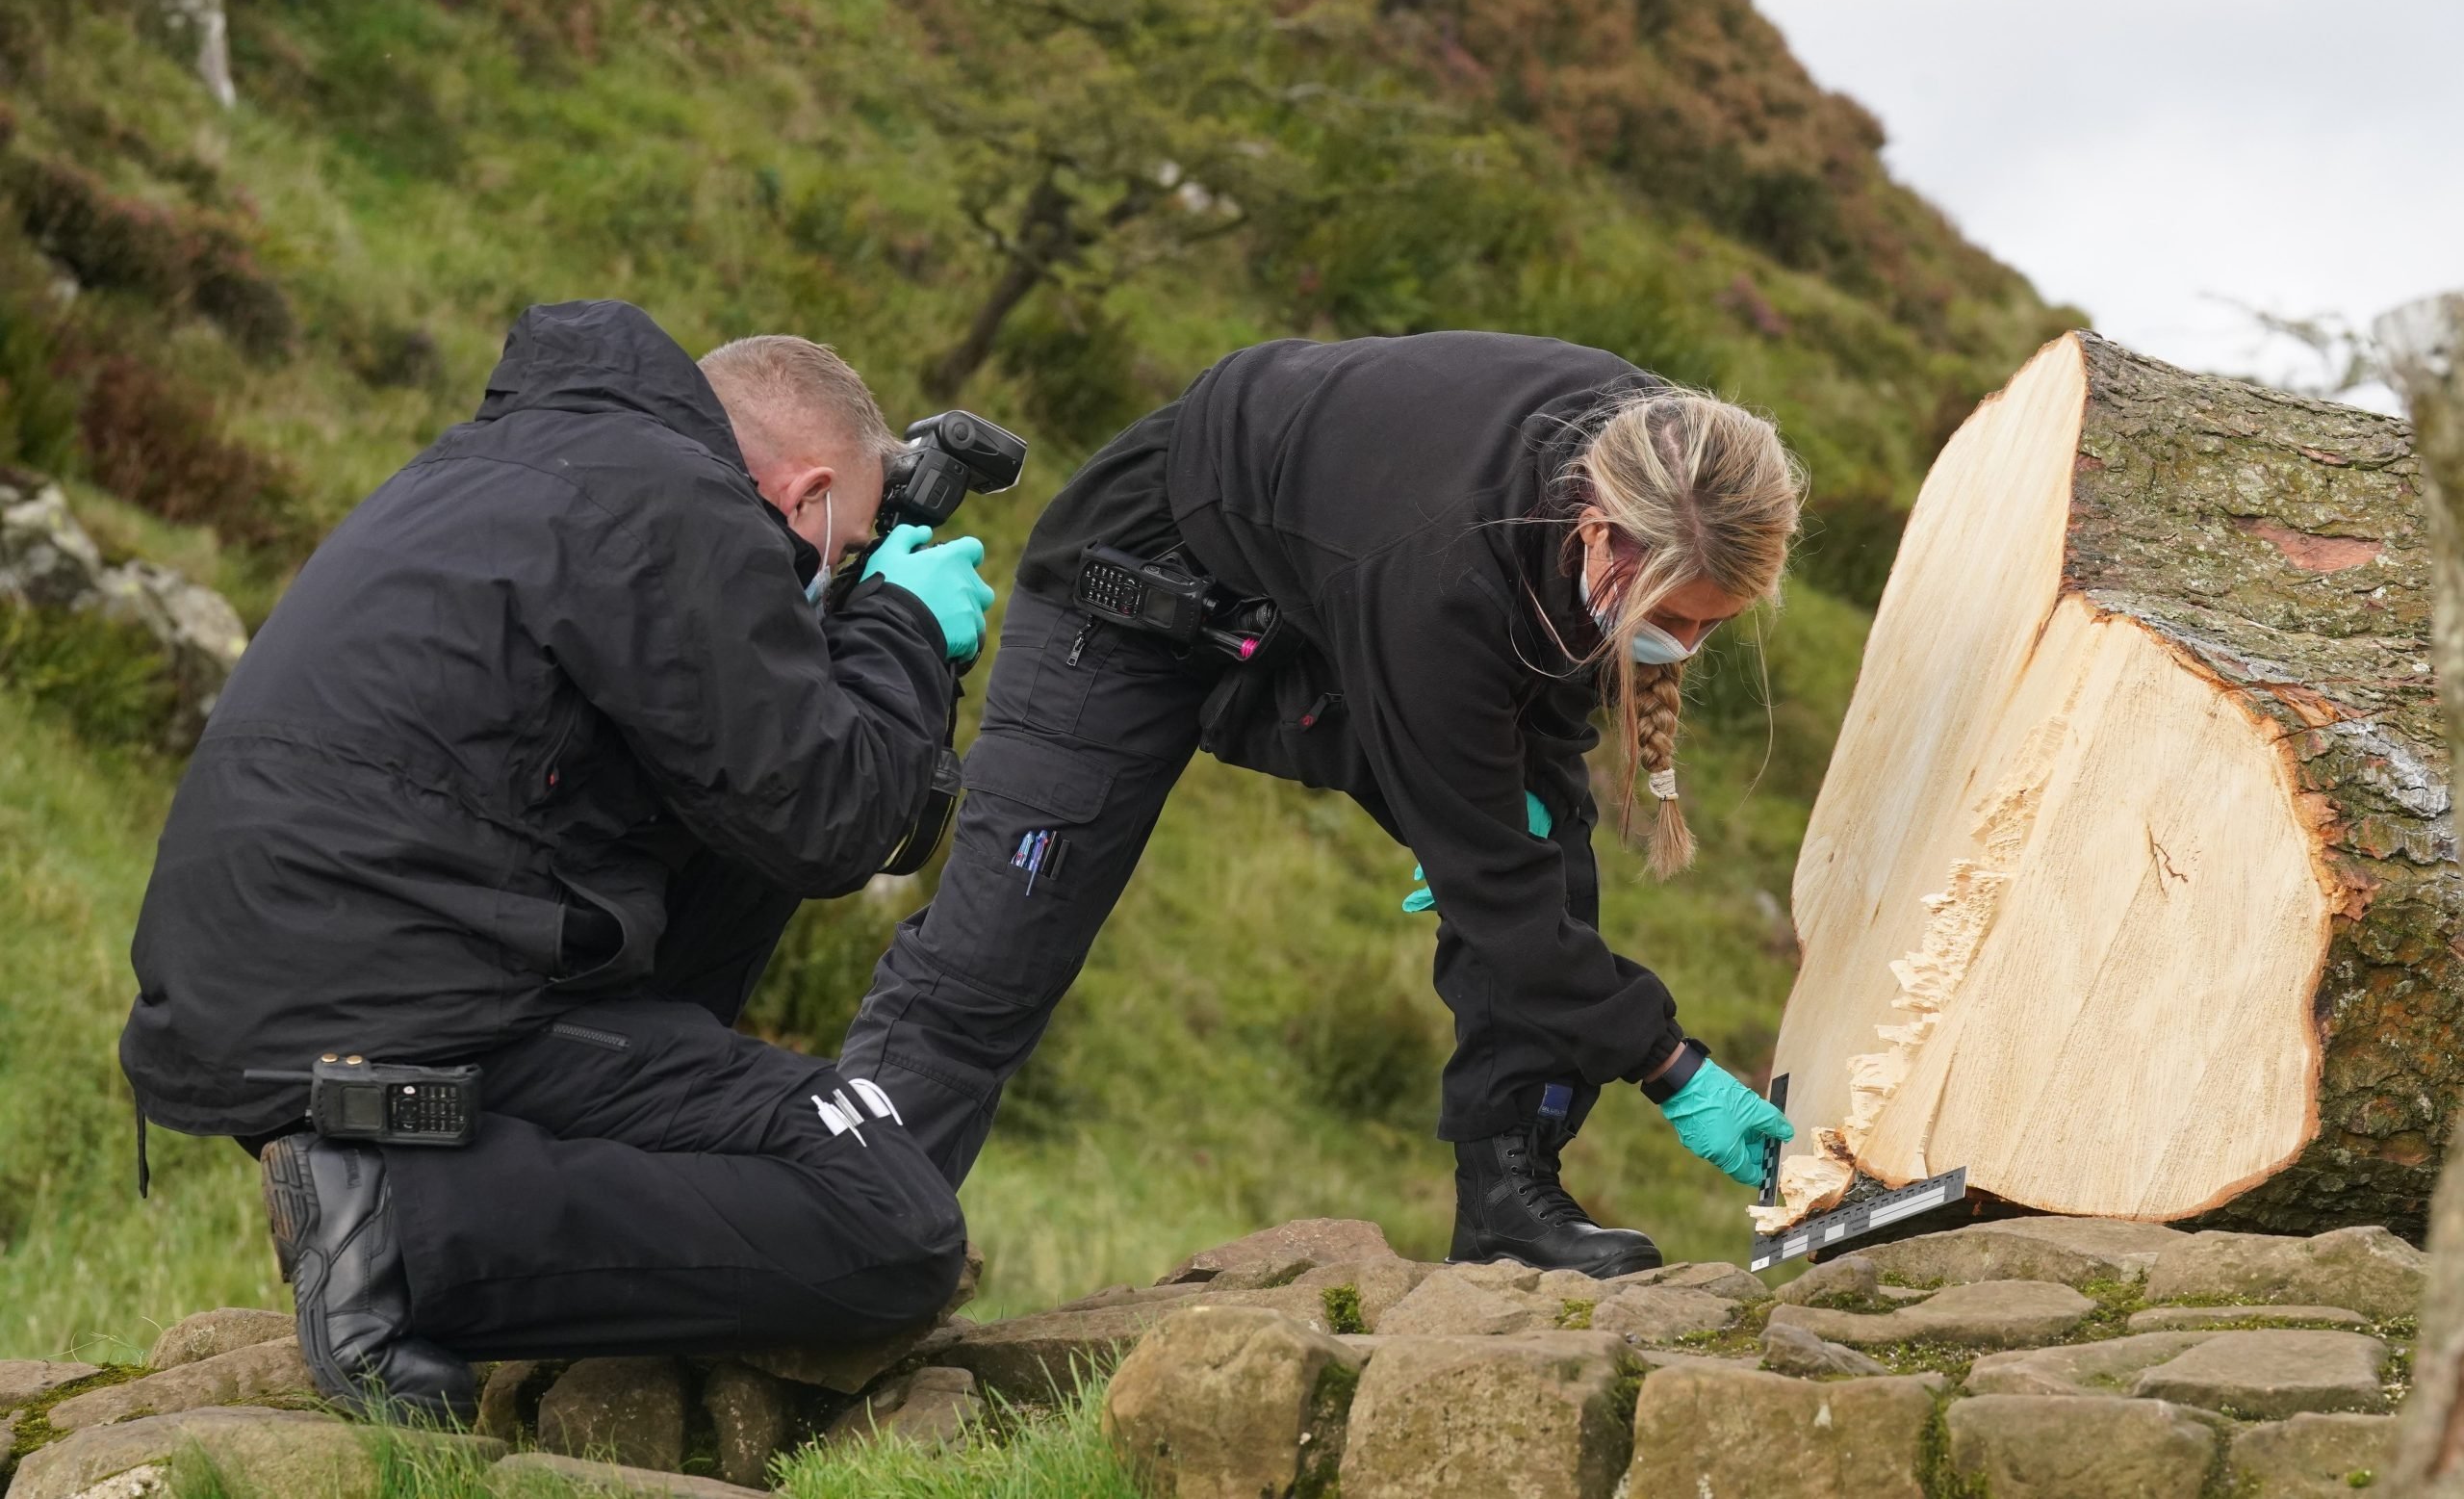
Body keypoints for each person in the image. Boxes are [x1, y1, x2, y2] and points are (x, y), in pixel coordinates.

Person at [118, 301, 998, 1419]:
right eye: (855, 553)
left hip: (273, 1000)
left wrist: (845, 636)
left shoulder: (501, 466)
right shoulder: (682, 506)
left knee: (745, 805)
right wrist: (905, 631)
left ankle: (422, 1193)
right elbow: (830, 818)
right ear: (808, 500)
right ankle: (404, 1228)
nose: (842, 577)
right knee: (893, 1223)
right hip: (409, 1004)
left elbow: (758, 807)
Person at [842, 330, 1800, 1277]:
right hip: (1136, 595)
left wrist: (1489, 836)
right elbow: (1495, 884)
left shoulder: (1664, 460)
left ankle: (1510, 1204)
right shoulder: (1447, 570)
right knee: (1000, 950)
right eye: (1672, 621)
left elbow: (1532, 756)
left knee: (1545, 867)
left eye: (1710, 625)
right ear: (1595, 530)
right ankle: (849, 1226)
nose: (1685, 644)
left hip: (1323, 599)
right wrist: (1672, 1068)